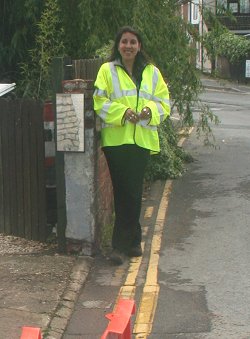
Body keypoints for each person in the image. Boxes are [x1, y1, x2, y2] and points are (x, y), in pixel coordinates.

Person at [93, 26, 170, 265]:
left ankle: (126, 243)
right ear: (118, 45)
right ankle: (127, 243)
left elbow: (164, 104)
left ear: (140, 46)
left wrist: (148, 111)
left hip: (141, 141)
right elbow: (99, 101)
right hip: (116, 141)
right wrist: (124, 112)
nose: (128, 46)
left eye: (133, 42)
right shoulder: (107, 70)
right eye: (124, 42)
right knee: (123, 190)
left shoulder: (152, 73)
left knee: (133, 191)